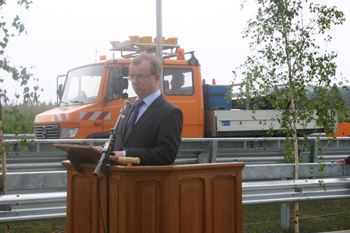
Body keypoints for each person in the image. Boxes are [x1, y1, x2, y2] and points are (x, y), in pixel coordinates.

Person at [96, 53, 183, 165]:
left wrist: (126, 155)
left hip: (145, 180)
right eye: (131, 76)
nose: (134, 81)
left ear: (156, 78)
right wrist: (100, 150)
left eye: (140, 76)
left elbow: (167, 153)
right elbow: (118, 144)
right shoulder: (128, 108)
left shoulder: (169, 112)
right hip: (117, 178)